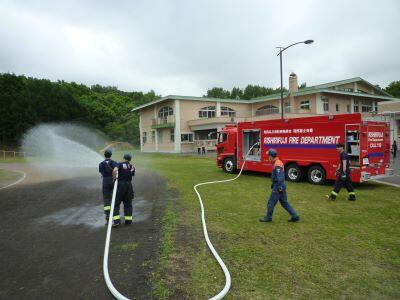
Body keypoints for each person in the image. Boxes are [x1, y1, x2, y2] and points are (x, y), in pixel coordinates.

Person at [259, 149, 300, 223]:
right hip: (280, 185)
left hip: (278, 186)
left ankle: (268, 217)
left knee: (271, 202)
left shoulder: (277, 164)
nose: (268, 157)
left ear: (271, 156)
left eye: (269, 155)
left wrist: (279, 187)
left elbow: (280, 177)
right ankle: (295, 216)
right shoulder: (277, 162)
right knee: (284, 202)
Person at [112, 153, 135, 227]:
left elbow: (115, 170)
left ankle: (116, 222)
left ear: (124, 158)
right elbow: (132, 174)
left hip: (121, 185)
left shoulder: (120, 164)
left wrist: (114, 178)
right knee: (128, 203)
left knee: (116, 204)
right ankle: (128, 221)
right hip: (129, 186)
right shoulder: (132, 166)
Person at [98, 149, 118, 226]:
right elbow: (115, 171)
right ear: (111, 155)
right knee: (115, 198)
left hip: (105, 181)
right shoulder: (114, 162)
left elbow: (101, 173)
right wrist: (114, 178)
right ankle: (116, 218)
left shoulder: (101, 164)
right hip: (112, 180)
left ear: (104, 155)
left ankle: (108, 218)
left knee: (106, 199)